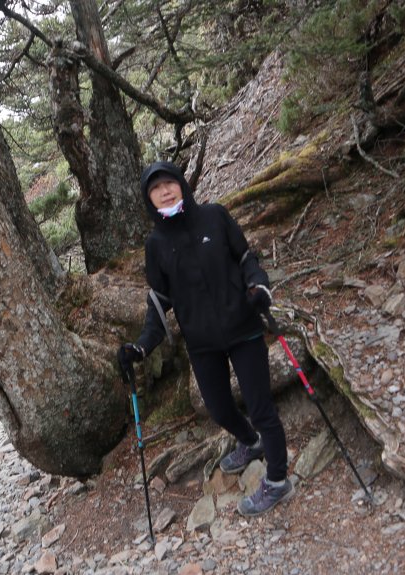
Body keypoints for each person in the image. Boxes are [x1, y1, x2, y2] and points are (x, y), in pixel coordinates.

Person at [118, 161, 293, 517]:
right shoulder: (156, 245)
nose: (165, 190)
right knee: (218, 407)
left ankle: (277, 481)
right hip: (201, 343)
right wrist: (141, 346)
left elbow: (246, 258)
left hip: (243, 328)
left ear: (182, 184)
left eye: (170, 183)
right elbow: (158, 303)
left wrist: (259, 287)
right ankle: (250, 443)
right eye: (156, 188)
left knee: (261, 407)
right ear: (149, 199)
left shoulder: (215, 216)